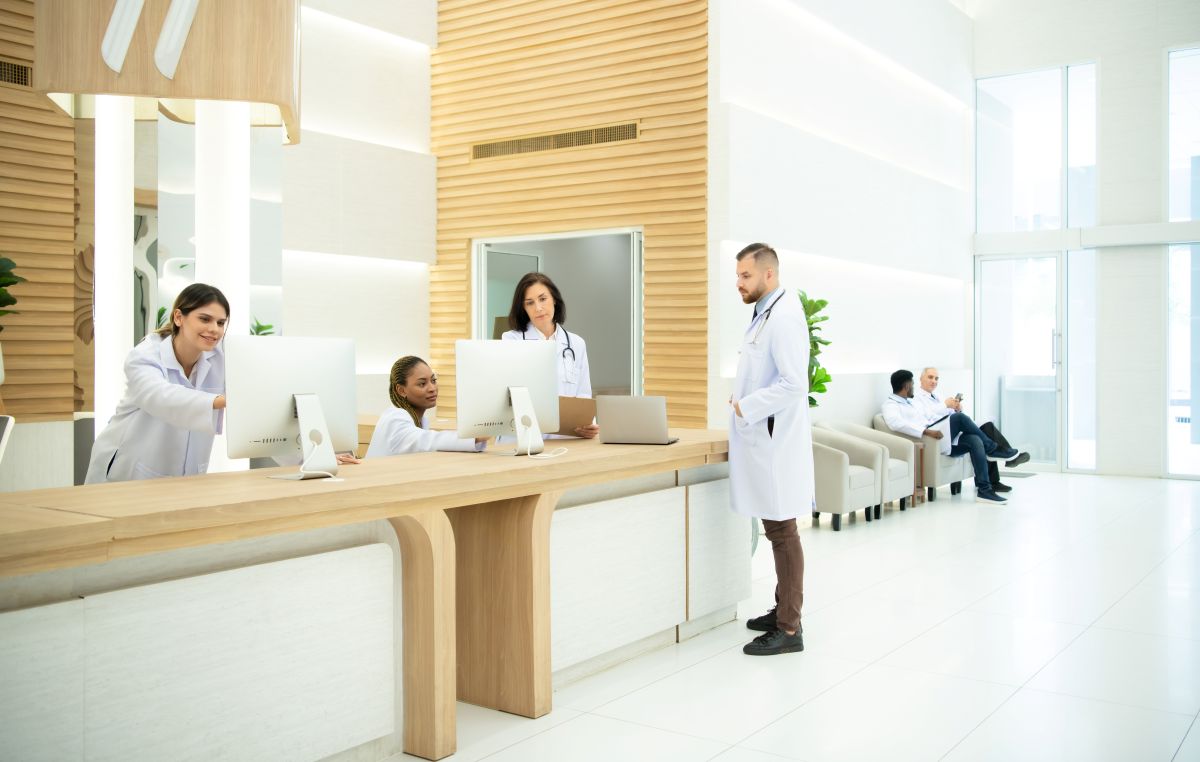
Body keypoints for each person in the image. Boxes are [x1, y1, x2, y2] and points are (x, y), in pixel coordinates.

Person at [729, 243, 813, 656]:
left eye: (745, 276)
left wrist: (748, 405)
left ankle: (790, 629)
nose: (739, 283)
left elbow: (797, 383)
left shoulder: (784, 318)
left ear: (769, 275)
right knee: (777, 528)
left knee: (783, 531)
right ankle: (783, 609)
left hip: (775, 441)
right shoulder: (766, 315)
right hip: (763, 436)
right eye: (738, 275)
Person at [85, 283, 230, 484]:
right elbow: (160, 396)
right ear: (179, 317)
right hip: (128, 471)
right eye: (205, 319)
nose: (214, 329)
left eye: (221, 323)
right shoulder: (144, 356)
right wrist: (219, 401)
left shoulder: (221, 358)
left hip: (187, 477)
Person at [881, 369, 1015, 505]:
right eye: (913, 383)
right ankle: (993, 448)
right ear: (907, 386)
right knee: (960, 418)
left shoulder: (911, 402)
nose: (914, 387)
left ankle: (985, 490)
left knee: (975, 440)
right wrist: (926, 431)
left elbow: (930, 416)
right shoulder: (890, 405)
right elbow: (896, 423)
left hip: (940, 434)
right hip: (929, 439)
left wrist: (950, 411)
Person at [501, 271, 599, 438]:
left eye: (543, 299)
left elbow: (583, 395)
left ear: (554, 299)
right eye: (529, 303)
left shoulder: (576, 344)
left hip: (565, 440)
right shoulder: (511, 340)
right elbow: (506, 394)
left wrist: (588, 424)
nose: (538, 308)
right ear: (523, 308)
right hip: (523, 437)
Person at [913, 367, 1030, 492]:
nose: (934, 381)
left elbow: (947, 414)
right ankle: (995, 450)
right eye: (930, 377)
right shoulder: (916, 398)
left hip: (951, 433)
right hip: (937, 437)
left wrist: (956, 408)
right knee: (960, 418)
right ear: (921, 379)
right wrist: (946, 406)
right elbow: (926, 418)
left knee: (985, 426)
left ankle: (993, 481)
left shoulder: (938, 396)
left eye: (936, 378)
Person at [366, 355, 489, 456]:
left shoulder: (421, 419)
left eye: (433, 380)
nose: (432, 388)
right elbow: (423, 441)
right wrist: (472, 437)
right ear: (401, 390)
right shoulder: (395, 417)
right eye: (422, 384)